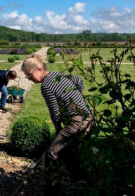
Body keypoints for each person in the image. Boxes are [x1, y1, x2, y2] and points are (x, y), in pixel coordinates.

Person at [21, 54, 94, 194]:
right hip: (88, 119)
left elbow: (54, 113)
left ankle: (52, 191)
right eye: (27, 77)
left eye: (29, 75)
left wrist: (58, 129)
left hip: (77, 123)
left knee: (51, 155)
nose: (29, 79)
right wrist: (78, 100)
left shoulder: (46, 86)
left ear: (39, 69)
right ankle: (82, 183)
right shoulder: (59, 74)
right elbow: (79, 80)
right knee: (69, 151)